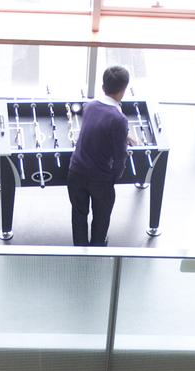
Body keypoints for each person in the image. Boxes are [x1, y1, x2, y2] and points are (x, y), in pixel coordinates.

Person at [67, 66, 131, 246]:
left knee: (79, 214)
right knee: (102, 216)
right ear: (124, 90)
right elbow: (120, 156)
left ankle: (80, 248)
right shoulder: (119, 119)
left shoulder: (90, 106)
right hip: (100, 179)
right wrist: (115, 176)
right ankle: (97, 247)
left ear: (103, 87)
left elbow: (100, 124)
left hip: (75, 172)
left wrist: (126, 134)